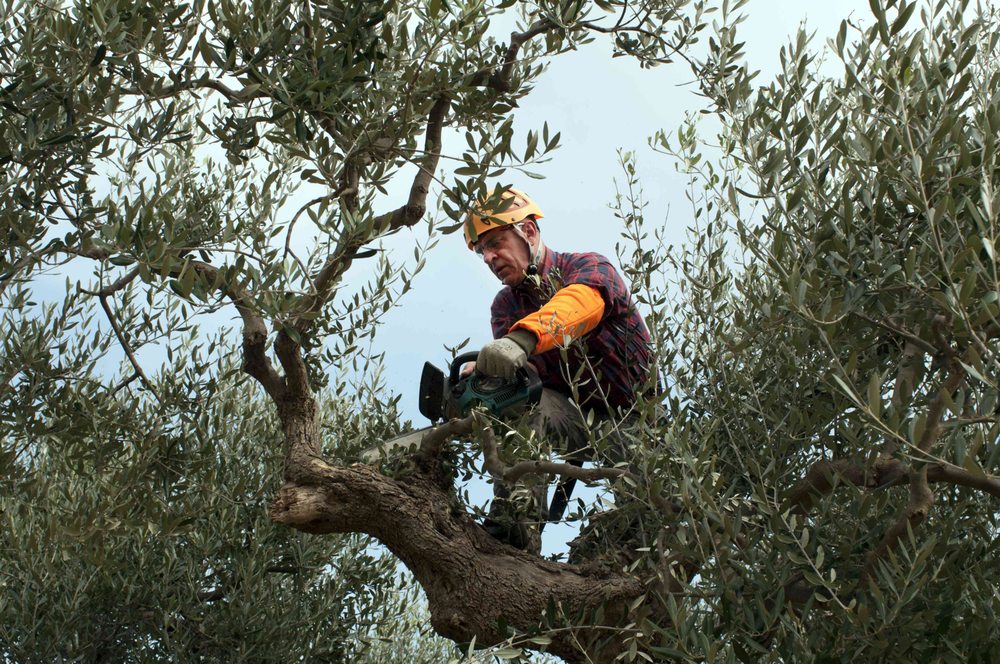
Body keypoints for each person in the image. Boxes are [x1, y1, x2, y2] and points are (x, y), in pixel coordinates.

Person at [463, 186, 654, 551]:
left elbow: (579, 304)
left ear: (529, 232)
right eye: (483, 252)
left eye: (496, 243)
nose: (489, 257)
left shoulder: (588, 268)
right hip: (571, 419)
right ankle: (516, 519)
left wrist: (522, 339)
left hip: (637, 425)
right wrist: (486, 374)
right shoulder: (505, 306)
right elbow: (522, 379)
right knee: (516, 396)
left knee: (649, 517)